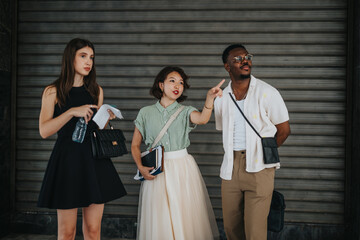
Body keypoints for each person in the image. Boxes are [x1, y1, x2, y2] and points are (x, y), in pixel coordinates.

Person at [37, 38, 127, 240]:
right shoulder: (53, 91)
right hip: (67, 161)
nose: (89, 62)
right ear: (71, 58)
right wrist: (71, 112)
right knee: (67, 233)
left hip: (94, 161)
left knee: (93, 231)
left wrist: (105, 117)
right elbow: (44, 131)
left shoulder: (96, 91)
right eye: (83, 56)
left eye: (92, 57)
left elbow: (93, 129)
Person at [131, 66, 223, 240]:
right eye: (172, 81)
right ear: (161, 85)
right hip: (156, 169)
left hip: (182, 168)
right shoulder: (145, 112)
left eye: (181, 83)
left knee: (184, 214)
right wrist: (140, 167)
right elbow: (135, 145)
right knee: (159, 216)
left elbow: (202, 119)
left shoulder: (186, 111)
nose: (177, 86)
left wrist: (209, 99)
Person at [214, 44, 291, 240]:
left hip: (260, 168)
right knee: (232, 228)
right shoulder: (221, 98)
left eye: (247, 57)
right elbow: (226, 130)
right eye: (238, 59)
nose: (245, 61)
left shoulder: (268, 92)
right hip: (230, 168)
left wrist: (264, 152)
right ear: (227, 66)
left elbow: (284, 130)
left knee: (255, 231)